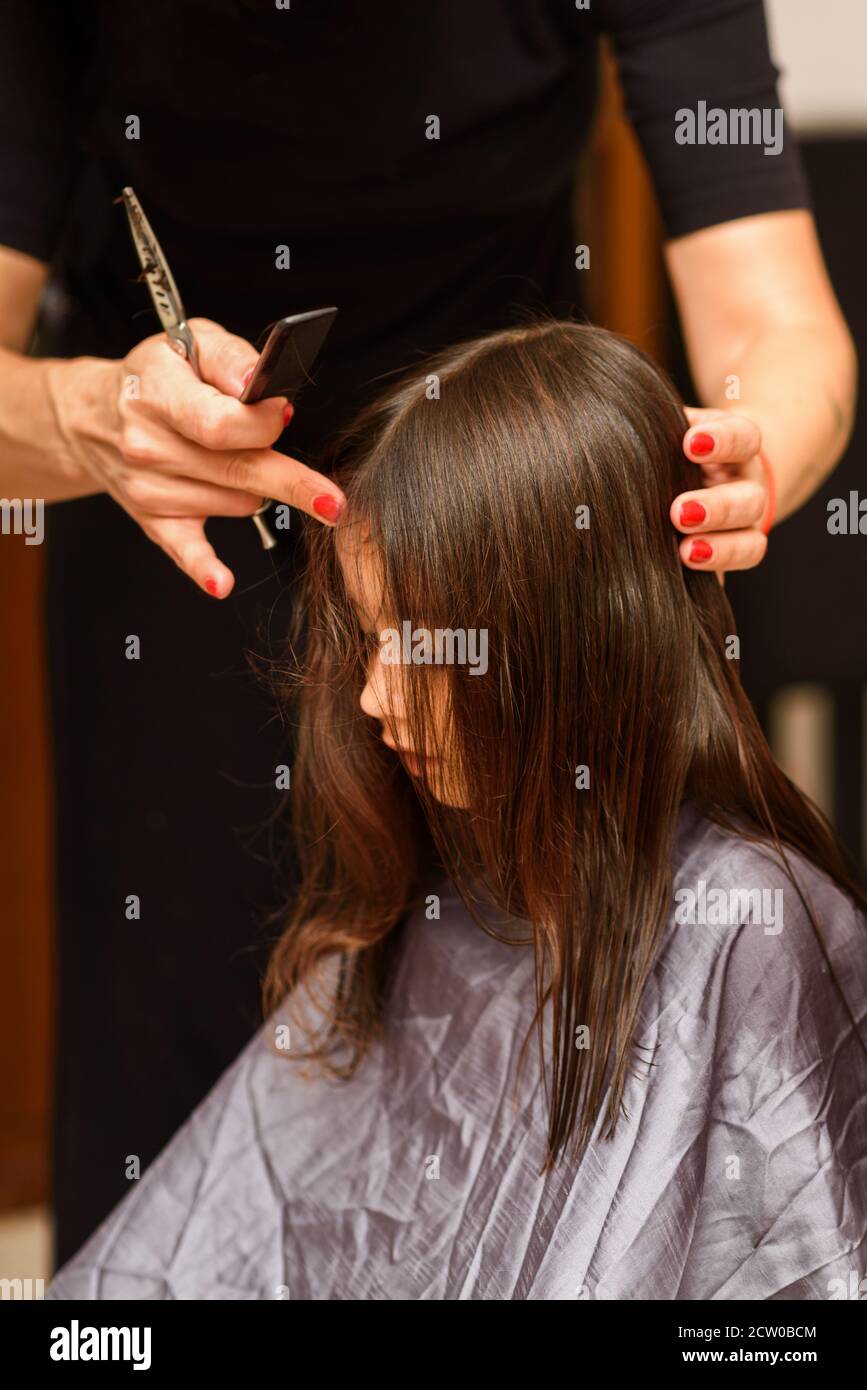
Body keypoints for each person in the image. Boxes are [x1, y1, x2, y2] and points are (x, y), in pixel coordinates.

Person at [0, 1, 856, 1264]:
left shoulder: (757, 920)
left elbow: (778, 323)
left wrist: (748, 455)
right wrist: (88, 415)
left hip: (506, 536)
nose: (375, 699)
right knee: (178, 1088)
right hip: (184, 514)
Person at [45, 320, 867, 1300]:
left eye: (427, 647)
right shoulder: (439, 891)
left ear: (576, 632)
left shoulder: (750, 925)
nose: (375, 699)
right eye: (374, 638)